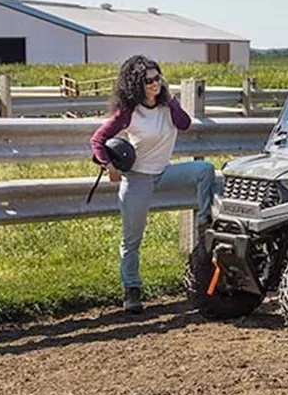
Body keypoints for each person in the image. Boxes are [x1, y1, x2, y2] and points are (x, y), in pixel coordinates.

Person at [89, 56, 219, 313]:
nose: (154, 84)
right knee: (132, 240)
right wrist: (109, 167)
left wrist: (171, 99)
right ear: (136, 84)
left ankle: (205, 222)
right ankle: (132, 290)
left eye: (157, 78)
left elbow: (185, 124)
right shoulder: (128, 112)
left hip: (164, 172)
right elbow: (97, 140)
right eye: (148, 80)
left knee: (206, 170)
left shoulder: (167, 106)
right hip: (137, 178)